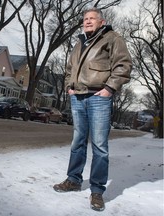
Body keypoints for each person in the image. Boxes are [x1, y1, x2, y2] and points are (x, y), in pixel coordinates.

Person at [53, 8, 132, 211]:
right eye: (85, 19)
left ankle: (97, 191)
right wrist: (69, 87)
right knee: (77, 141)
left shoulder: (112, 38)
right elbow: (70, 67)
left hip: (99, 97)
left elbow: (123, 65)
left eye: (92, 19)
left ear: (101, 21)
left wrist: (109, 88)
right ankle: (73, 180)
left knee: (99, 146)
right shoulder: (79, 42)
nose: (87, 21)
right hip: (78, 97)